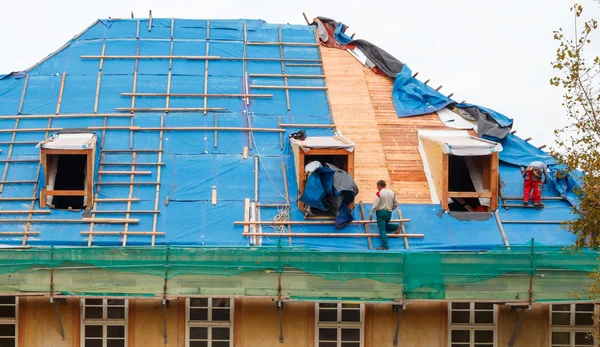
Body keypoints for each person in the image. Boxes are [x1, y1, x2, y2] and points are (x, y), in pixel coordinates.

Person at [368, 180, 399, 250]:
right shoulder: (392, 193)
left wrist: (371, 214)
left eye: (377, 186)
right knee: (384, 226)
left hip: (381, 213)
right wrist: (390, 209)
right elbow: (396, 204)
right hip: (388, 213)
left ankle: (385, 246)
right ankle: (396, 227)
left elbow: (375, 205)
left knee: (382, 229)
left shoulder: (379, 193)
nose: (377, 188)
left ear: (380, 185)